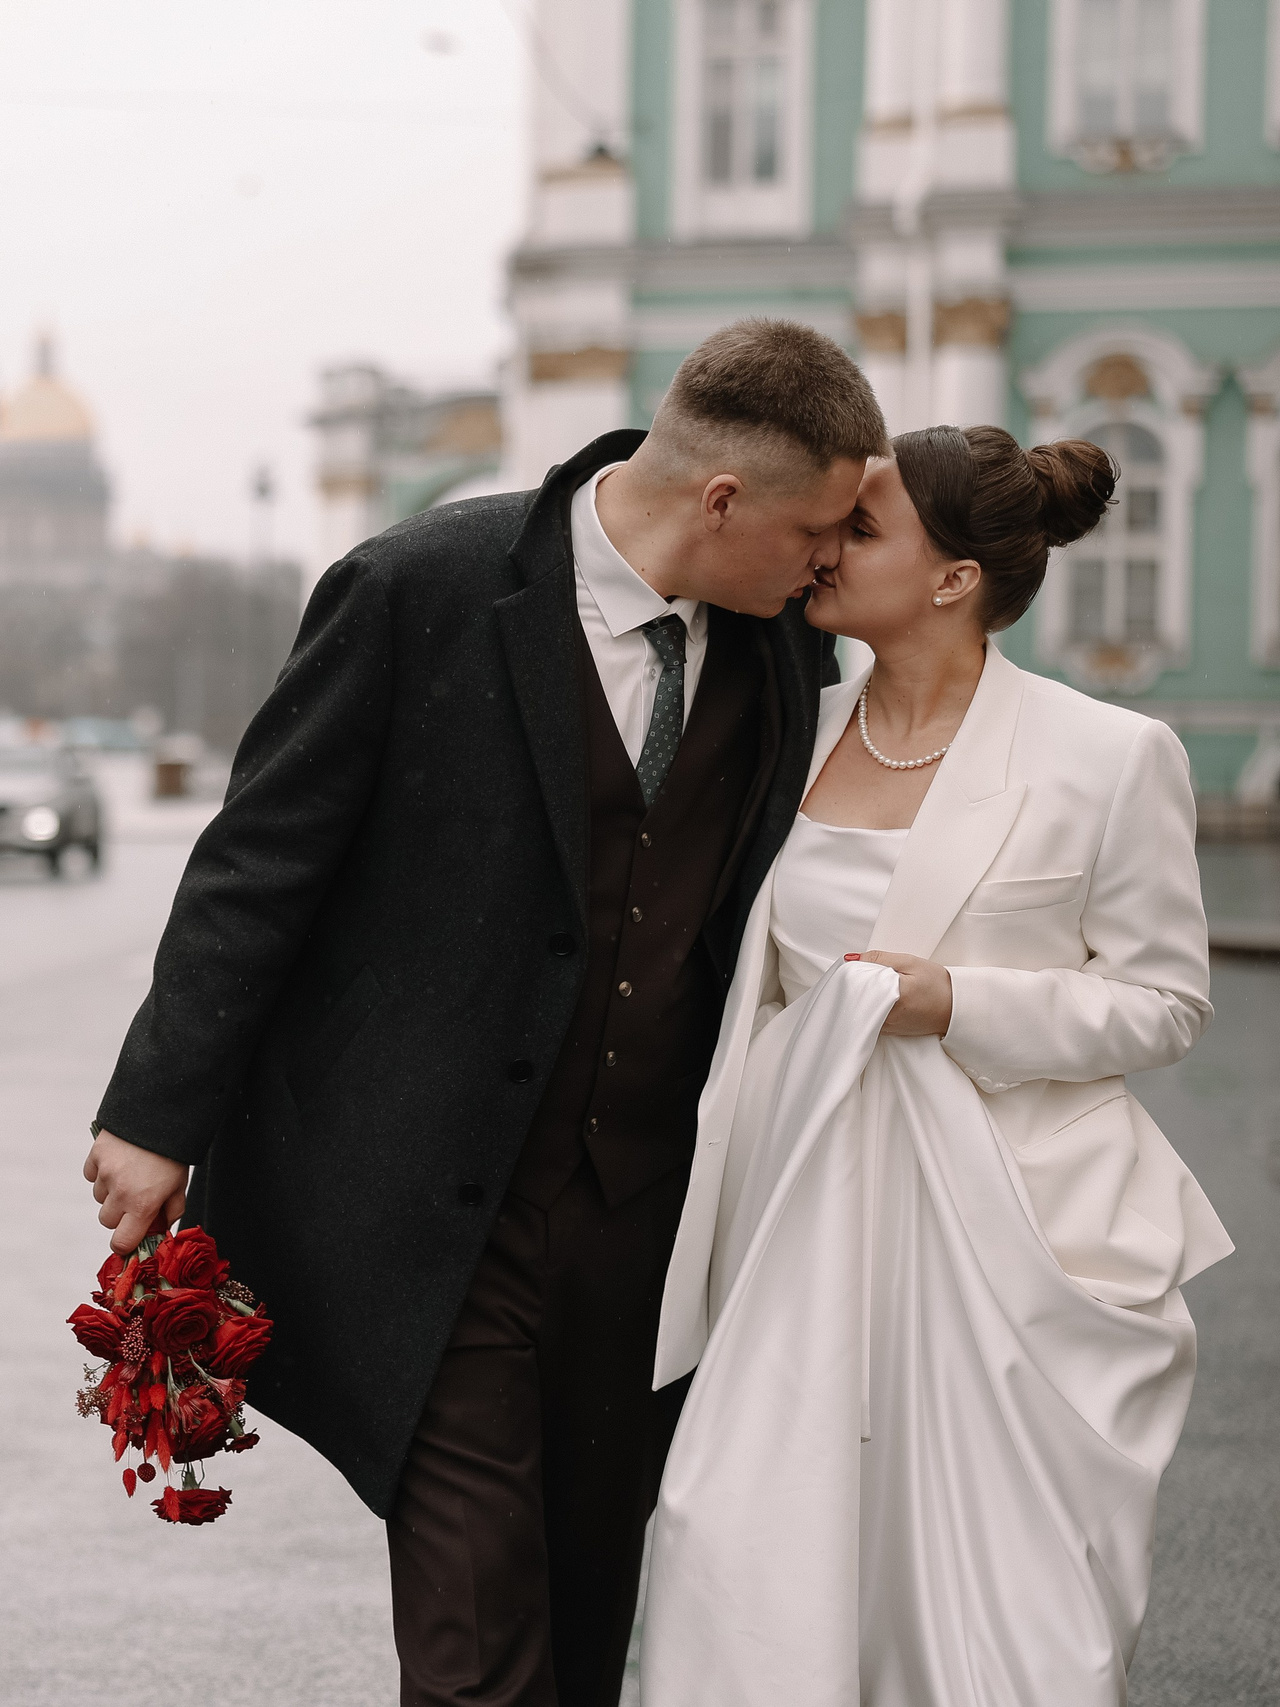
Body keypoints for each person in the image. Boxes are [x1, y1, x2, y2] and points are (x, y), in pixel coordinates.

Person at [82, 319, 885, 1706]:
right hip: (435, 1209)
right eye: (817, 530)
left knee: (581, 1616)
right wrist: (155, 1115)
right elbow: (258, 866)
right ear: (720, 499)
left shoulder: (778, 657)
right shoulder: (416, 589)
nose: (829, 564)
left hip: (647, 1224)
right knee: (477, 1636)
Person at [638, 426, 1231, 1705]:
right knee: (755, 1561)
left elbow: (1164, 1004)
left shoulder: (1109, 756)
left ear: (955, 578)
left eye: (860, 528)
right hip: (796, 1219)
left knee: (1010, 1625)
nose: (823, 547)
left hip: (1014, 1244)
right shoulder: (782, 731)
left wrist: (955, 1001)